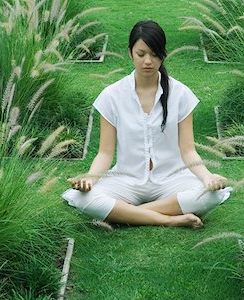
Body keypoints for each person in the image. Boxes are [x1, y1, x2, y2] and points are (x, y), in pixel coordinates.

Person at [62, 20, 231, 228]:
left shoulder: (180, 94)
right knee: (81, 198)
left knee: (213, 195)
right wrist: (90, 180)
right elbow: (105, 154)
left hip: (172, 179)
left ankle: (127, 213)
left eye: (154, 54)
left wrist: (207, 177)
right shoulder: (112, 96)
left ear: (163, 54)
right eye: (141, 54)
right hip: (127, 181)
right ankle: (169, 219)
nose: (148, 61)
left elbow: (188, 150)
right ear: (130, 53)